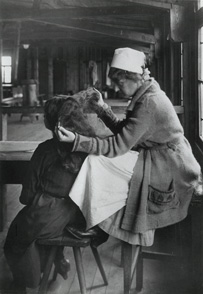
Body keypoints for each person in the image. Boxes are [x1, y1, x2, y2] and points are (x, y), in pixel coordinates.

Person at [56, 47, 202, 245]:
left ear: (131, 76)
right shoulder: (147, 92)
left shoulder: (149, 102)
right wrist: (101, 108)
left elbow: (118, 146)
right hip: (162, 157)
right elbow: (127, 132)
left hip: (170, 166)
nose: (117, 87)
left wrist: (76, 141)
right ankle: (97, 221)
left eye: (119, 82)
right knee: (101, 162)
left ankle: (95, 223)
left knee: (95, 161)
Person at [4, 96, 104, 294]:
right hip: (81, 217)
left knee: (14, 238)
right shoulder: (92, 147)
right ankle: (57, 262)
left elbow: (25, 197)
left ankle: (25, 282)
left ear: (51, 123)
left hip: (49, 214)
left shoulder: (44, 151)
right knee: (41, 229)